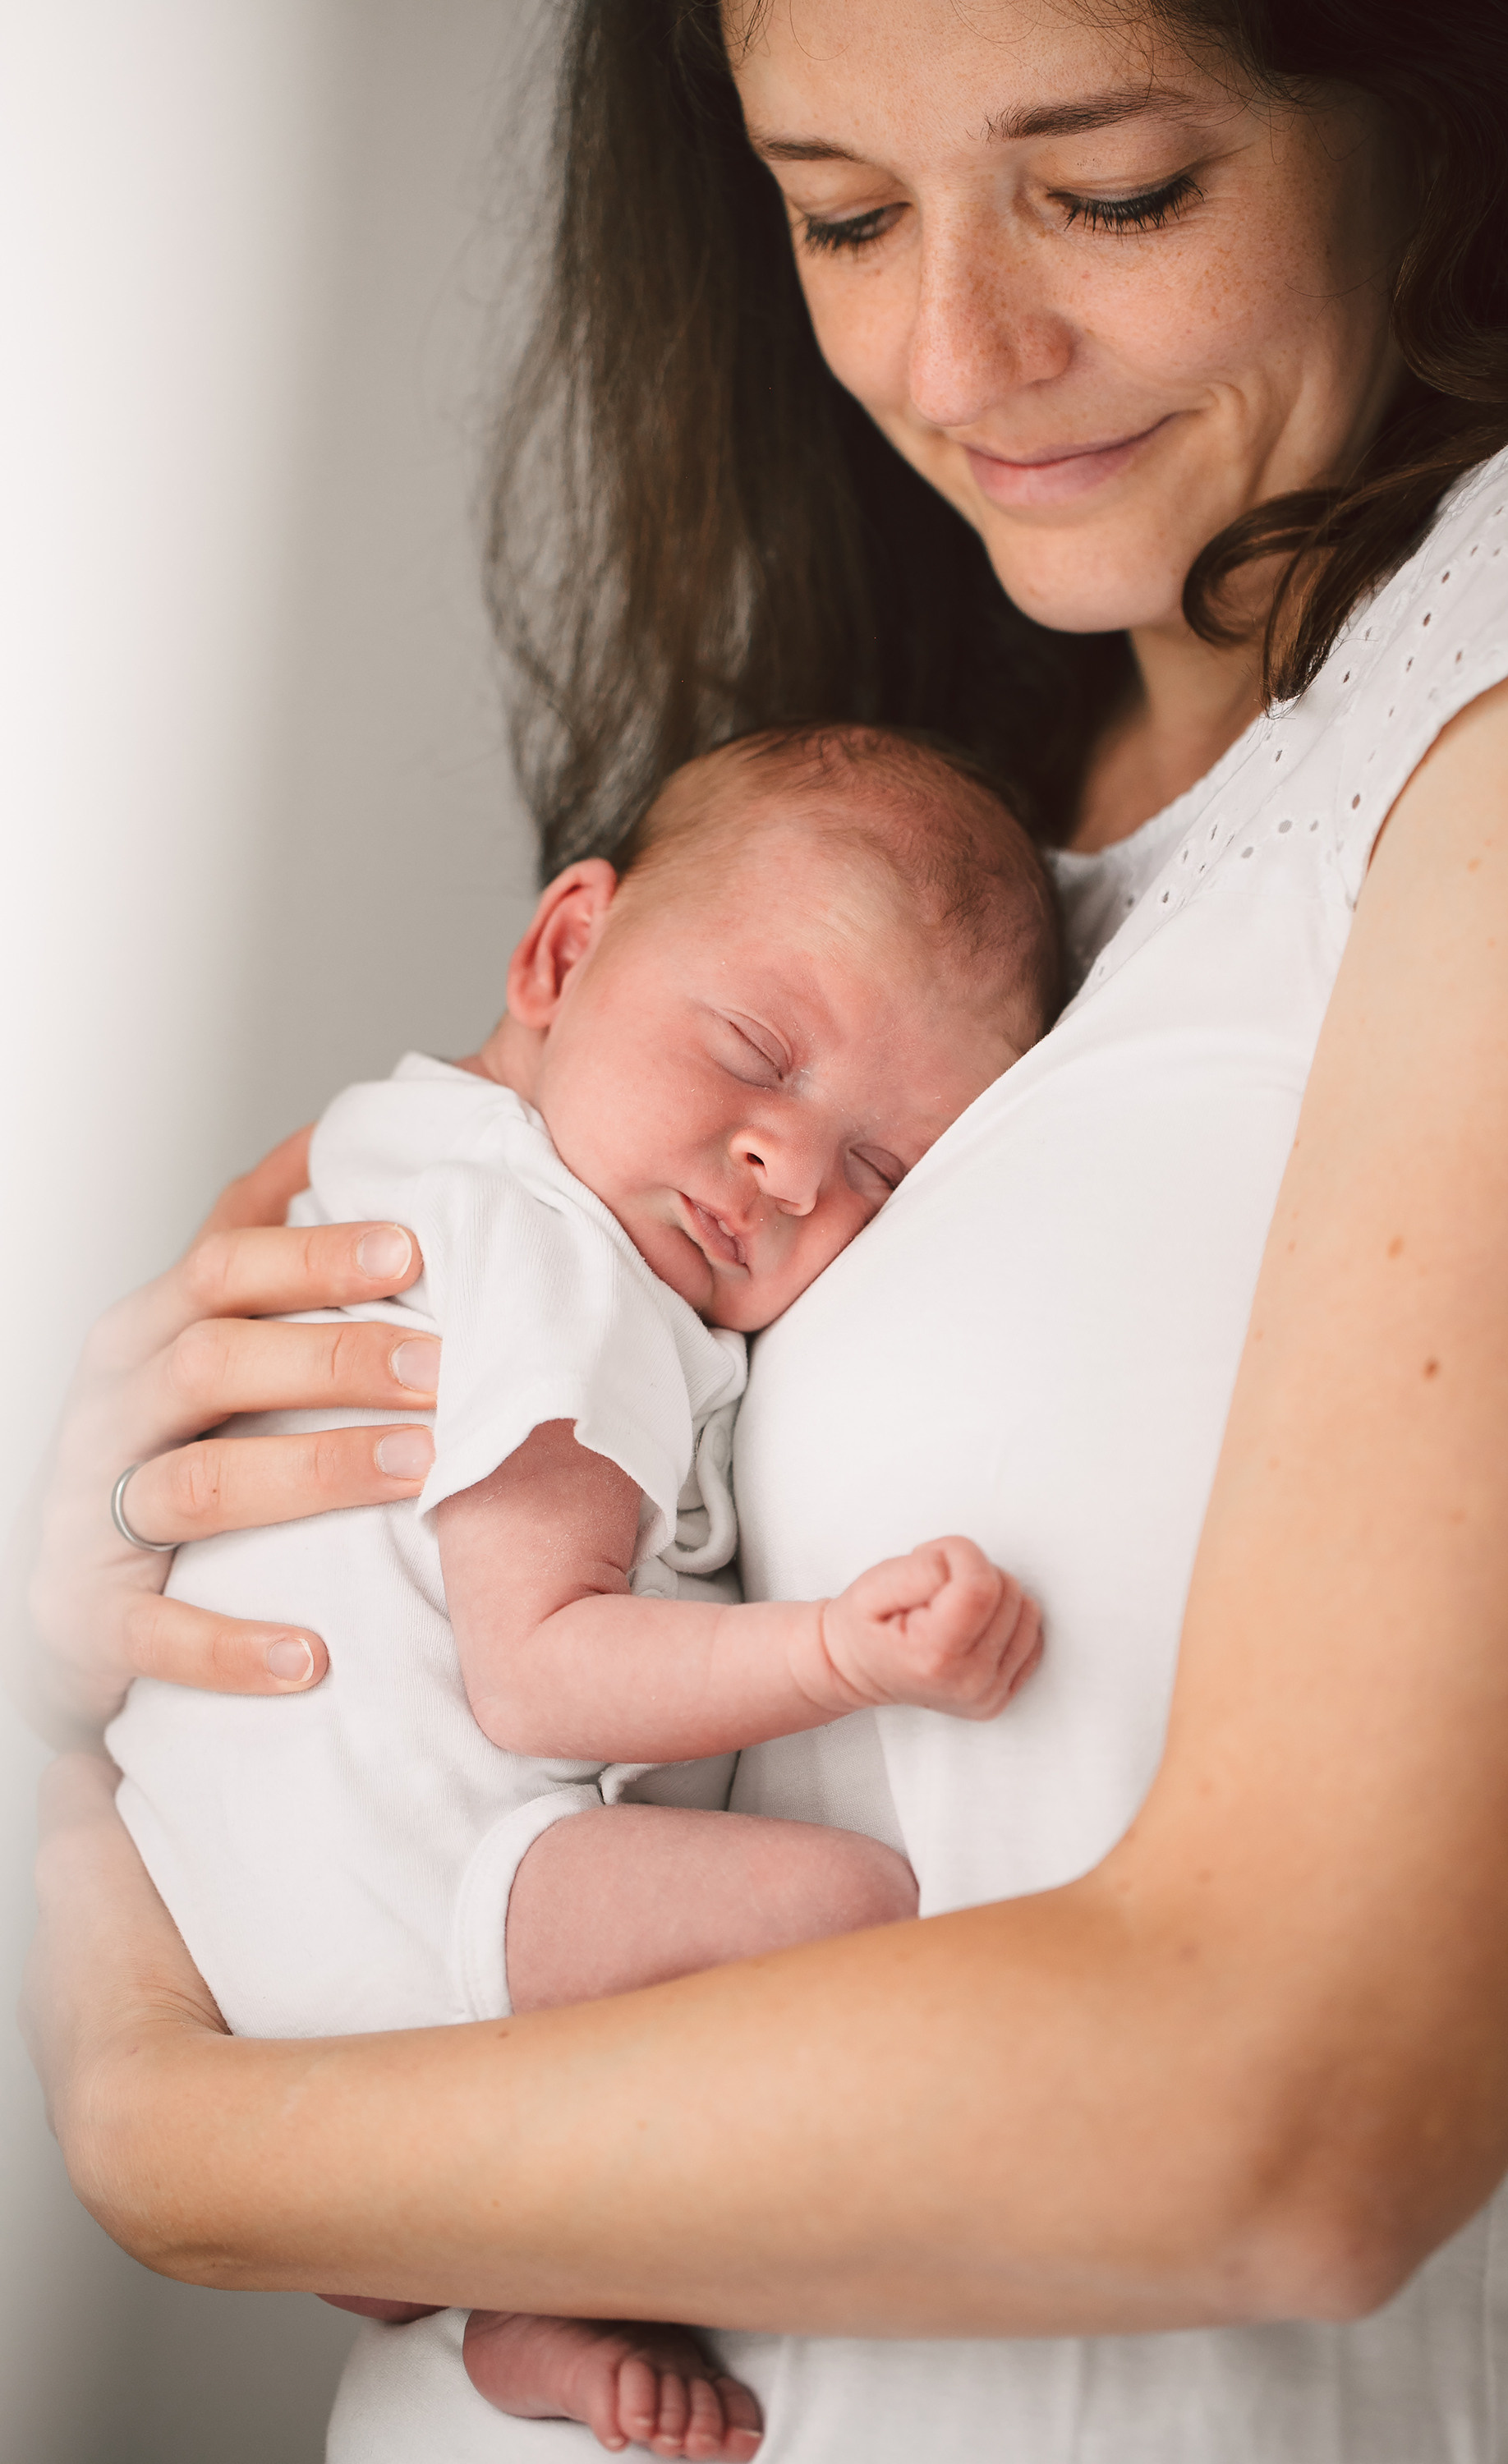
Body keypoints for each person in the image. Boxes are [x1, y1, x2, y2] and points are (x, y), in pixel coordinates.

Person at [17, 2, 1508, 2458]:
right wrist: (117, 1607)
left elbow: (1298, 2119)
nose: (955, 354)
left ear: (1428, 97)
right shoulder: (938, 774)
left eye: (1113, 192)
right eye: (843, 213)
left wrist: (173, 2133)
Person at [105, 722, 1052, 2458]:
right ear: (561, 951)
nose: (788, 1167)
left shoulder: (400, 1151)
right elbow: (539, 1679)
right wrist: (840, 1650)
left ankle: (491, 2290)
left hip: (212, 1904)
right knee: (856, 1910)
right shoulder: (559, 1259)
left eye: (882, 1171)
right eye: (758, 1052)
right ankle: (520, 2253)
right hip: (409, 1909)